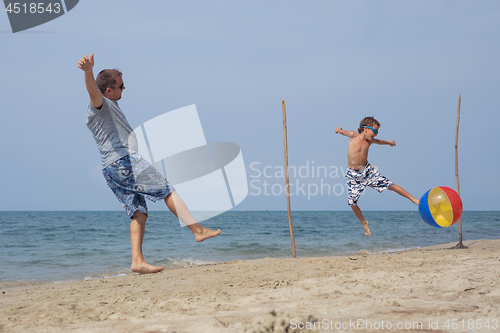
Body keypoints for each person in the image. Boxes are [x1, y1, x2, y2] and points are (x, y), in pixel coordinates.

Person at [78, 53, 221, 274]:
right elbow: (92, 92)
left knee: (138, 212)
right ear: (108, 91)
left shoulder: (110, 105)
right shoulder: (101, 104)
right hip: (124, 162)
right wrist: (88, 72)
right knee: (167, 190)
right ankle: (198, 230)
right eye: (121, 86)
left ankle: (137, 261)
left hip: (111, 169)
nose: (124, 89)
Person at [335, 116, 419, 236]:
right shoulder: (353, 135)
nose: (376, 134)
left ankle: (414, 199)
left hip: (368, 171)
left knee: (391, 185)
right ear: (365, 129)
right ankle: (364, 222)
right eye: (374, 131)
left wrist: (389, 143)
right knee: (352, 202)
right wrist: (338, 130)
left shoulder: (370, 141)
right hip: (353, 175)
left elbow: (380, 142)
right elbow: (343, 132)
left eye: (377, 131)